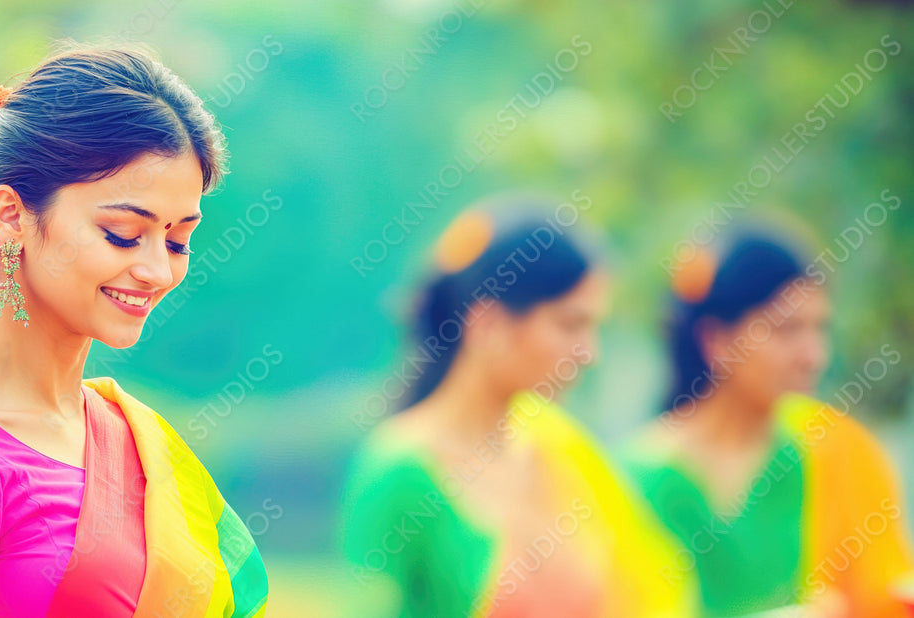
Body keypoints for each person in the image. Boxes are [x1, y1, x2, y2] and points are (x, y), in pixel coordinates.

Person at [0, 46, 268, 618]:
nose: (157, 271)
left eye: (177, 241)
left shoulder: (138, 440)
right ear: (11, 215)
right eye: (121, 233)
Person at [342, 201, 692, 617]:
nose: (589, 354)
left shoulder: (564, 453)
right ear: (489, 325)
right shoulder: (400, 472)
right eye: (570, 325)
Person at [625, 224, 914, 617]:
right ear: (716, 340)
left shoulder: (832, 448)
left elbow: (885, 595)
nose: (813, 355)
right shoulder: (635, 481)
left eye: (819, 328)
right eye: (787, 330)